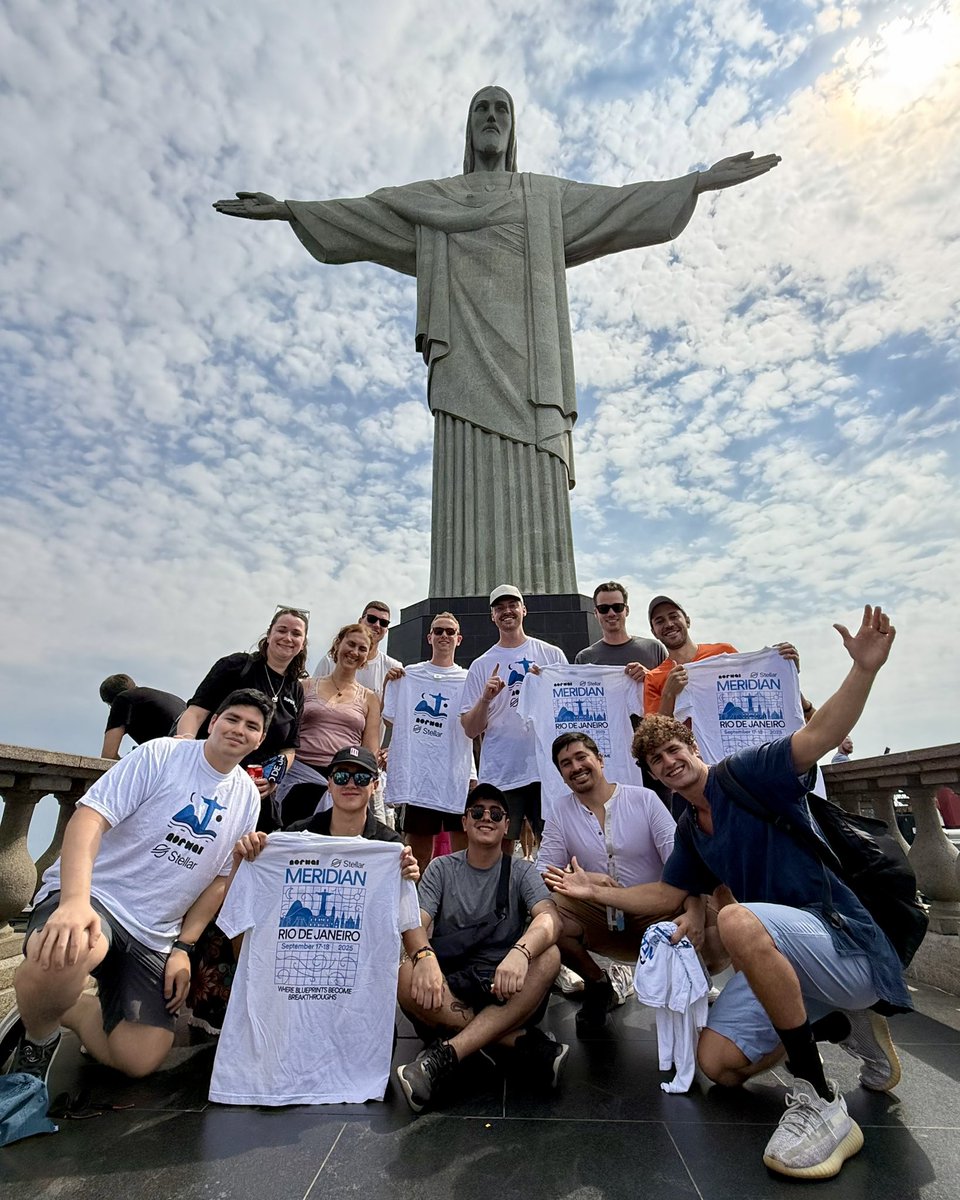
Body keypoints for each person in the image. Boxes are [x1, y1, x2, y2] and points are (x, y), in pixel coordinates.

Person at [214, 86, 780, 596]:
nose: (491, 117)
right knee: (465, 479)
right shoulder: (432, 200)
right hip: (462, 359)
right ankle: (461, 595)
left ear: (513, 128)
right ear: (468, 127)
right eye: (481, 109)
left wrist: (699, 181)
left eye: (501, 109)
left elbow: (621, 203)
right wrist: (290, 210)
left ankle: (541, 593)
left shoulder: (544, 198)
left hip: (534, 369)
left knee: (537, 476)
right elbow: (366, 216)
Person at [554, 605, 908, 1181]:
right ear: (651, 773)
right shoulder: (693, 830)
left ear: (691, 746)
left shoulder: (749, 772)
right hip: (786, 955)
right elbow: (668, 896)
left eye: (674, 751)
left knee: (738, 920)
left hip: (840, 939)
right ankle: (840, 1023)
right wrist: (598, 890)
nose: (669, 764)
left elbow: (819, 734)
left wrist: (864, 670)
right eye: (655, 761)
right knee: (717, 1065)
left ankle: (821, 1099)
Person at [9, 689, 272, 1084]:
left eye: (252, 726)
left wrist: (184, 946)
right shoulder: (161, 755)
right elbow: (88, 820)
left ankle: (72, 1009)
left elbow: (220, 879)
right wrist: (75, 902)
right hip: (101, 898)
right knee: (70, 945)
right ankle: (37, 1041)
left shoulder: (247, 797)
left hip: (154, 933)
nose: (239, 730)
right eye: (232, 718)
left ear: (260, 740)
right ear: (213, 722)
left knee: (139, 1059)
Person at [395, 783, 566, 1112]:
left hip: (506, 985)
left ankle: (445, 1055)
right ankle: (518, 1045)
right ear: (464, 822)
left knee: (551, 955)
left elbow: (550, 919)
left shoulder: (521, 870)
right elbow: (415, 920)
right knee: (404, 972)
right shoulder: (442, 868)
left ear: (506, 826)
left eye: (496, 813)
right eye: (477, 812)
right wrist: (424, 956)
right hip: (453, 983)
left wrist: (521, 953)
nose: (486, 818)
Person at [538, 733, 714, 1035]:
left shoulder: (644, 799)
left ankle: (698, 981)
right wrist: (590, 880)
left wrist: (694, 907)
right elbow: (543, 869)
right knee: (545, 914)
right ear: (562, 776)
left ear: (600, 760)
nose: (576, 767)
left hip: (658, 917)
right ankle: (597, 984)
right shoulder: (560, 811)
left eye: (582, 757)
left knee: (719, 918)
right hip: (601, 920)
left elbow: (681, 860)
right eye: (566, 764)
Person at [176, 607, 308, 830]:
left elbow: (289, 748)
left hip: (252, 791)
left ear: (303, 643)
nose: (287, 638)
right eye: (281, 630)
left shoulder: (296, 690)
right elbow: (196, 713)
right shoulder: (236, 666)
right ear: (269, 634)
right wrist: (186, 750)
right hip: (209, 776)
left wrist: (274, 778)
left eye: (296, 634)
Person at [460, 585, 567, 848]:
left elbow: (567, 709)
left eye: (512, 605)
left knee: (555, 845)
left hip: (546, 769)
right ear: (492, 616)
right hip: (502, 772)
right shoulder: (481, 665)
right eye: (499, 607)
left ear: (524, 610)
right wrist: (486, 698)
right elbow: (470, 729)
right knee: (498, 848)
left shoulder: (551, 655)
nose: (507, 611)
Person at [382, 612, 475, 872]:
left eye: (449, 631)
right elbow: (391, 720)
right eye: (438, 631)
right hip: (419, 778)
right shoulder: (408, 676)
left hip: (454, 775)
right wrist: (388, 683)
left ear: (459, 639)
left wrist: (471, 773)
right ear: (429, 637)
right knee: (418, 854)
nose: (444, 635)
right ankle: (416, 905)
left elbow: (473, 729)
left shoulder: (468, 679)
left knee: (463, 852)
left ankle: (458, 906)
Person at [276, 623, 381, 826]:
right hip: (300, 778)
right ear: (338, 645)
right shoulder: (304, 686)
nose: (354, 652)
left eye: (362, 649)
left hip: (343, 781)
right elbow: (287, 733)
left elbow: (370, 749)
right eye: (350, 644)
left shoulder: (369, 699)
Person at [643, 594, 800, 718]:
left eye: (673, 616)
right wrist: (669, 694)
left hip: (736, 751)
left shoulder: (724, 653)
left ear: (688, 621)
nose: (669, 624)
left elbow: (759, 689)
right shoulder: (654, 678)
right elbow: (653, 736)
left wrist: (784, 669)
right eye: (659, 621)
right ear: (654, 632)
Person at [574, 582, 665, 682]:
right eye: (603, 609)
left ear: (627, 610)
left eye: (617, 607)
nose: (611, 613)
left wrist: (650, 676)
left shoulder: (654, 649)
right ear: (596, 613)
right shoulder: (584, 658)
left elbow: (672, 688)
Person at [312, 600, 401, 698]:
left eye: (383, 623)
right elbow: (311, 695)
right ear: (360, 621)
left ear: (387, 629)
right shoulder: (330, 660)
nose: (377, 625)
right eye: (371, 619)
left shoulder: (393, 668)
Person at [98, 674, 185, 758]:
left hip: (174, 751)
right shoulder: (150, 697)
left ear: (111, 702)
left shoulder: (122, 699)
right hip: (190, 747)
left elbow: (108, 755)